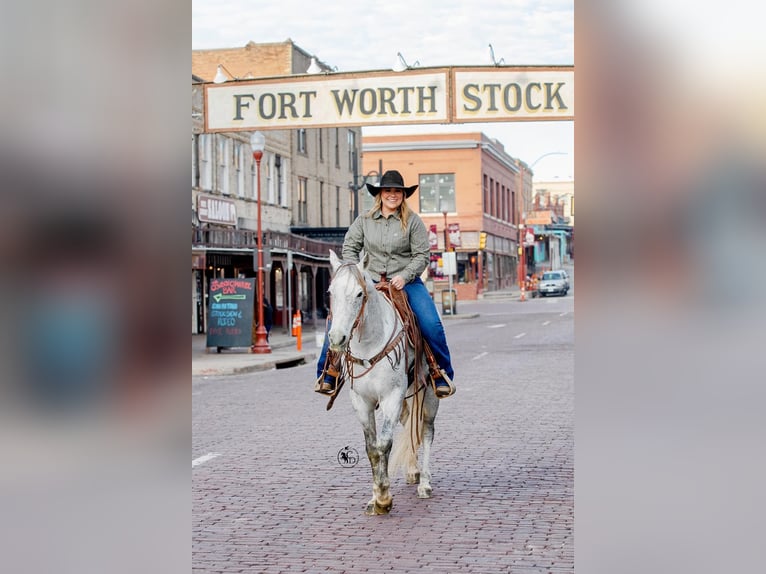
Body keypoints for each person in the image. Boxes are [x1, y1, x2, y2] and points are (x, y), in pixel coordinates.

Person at [315, 170, 455, 399]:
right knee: (336, 319)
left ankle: (440, 373)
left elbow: (422, 256)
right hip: (369, 280)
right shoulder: (364, 220)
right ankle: (328, 372)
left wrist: (405, 275)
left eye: (397, 191)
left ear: (403, 195)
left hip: (405, 282)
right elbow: (349, 246)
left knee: (431, 324)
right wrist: (355, 272)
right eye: (388, 190)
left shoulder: (413, 222)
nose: (393, 195)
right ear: (380, 194)